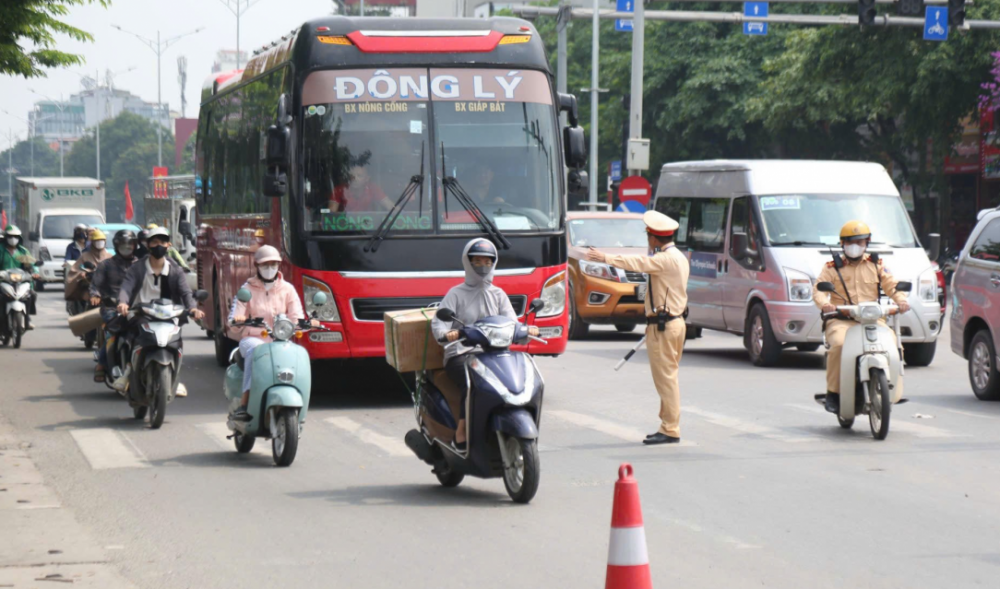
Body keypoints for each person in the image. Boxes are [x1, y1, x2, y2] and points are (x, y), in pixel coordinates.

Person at [586, 210, 690, 445]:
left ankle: (671, 428)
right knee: (668, 377)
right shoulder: (678, 257)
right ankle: (667, 425)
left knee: (666, 379)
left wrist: (605, 257)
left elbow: (639, 263)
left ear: (653, 238)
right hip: (671, 323)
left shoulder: (664, 259)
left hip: (665, 326)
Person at [430, 238, 538, 450]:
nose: (483, 266)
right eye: (477, 260)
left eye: (488, 261)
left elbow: (512, 322)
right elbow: (439, 322)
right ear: (467, 262)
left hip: (493, 353)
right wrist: (446, 334)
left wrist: (525, 330)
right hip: (462, 353)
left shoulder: (498, 294)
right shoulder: (456, 294)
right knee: (473, 382)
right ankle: (461, 433)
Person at [812, 221, 909, 413]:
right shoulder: (831, 267)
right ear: (842, 244)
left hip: (872, 320)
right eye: (851, 241)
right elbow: (818, 290)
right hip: (841, 320)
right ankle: (834, 393)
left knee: (893, 344)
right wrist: (825, 304)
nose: (856, 245)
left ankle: (892, 390)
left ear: (867, 243)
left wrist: (901, 301)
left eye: (861, 241)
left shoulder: (876, 265)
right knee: (839, 345)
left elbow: (893, 286)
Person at [228, 245, 317, 421]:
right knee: (256, 351)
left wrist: (307, 323)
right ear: (257, 266)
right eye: (265, 264)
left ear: (279, 266)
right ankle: (245, 404)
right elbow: (234, 319)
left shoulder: (287, 289)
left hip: (280, 340)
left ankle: (299, 398)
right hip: (253, 339)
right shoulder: (247, 289)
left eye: (273, 264)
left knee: (298, 354)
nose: (269, 268)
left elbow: (296, 316)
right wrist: (238, 320)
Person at [112, 227, 204, 392]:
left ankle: (174, 379)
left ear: (168, 244)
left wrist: (193, 309)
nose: (158, 245)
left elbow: (185, 292)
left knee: (176, 341)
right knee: (132, 335)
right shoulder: (137, 268)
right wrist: (123, 302)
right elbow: (127, 286)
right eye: (154, 242)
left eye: (162, 241)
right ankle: (127, 372)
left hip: (168, 315)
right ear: (148, 245)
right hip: (141, 313)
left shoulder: (175, 270)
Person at [90, 230, 139, 382]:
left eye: (130, 244)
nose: (127, 247)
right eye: (123, 244)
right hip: (112, 308)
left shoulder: (140, 265)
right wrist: (95, 295)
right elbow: (95, 284)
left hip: (137, 307)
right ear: (117, 246)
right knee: (114, 332)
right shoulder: (106, 265)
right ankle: (102, 364)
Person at [1, 225, 39, 330]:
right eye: (10, 236)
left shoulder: (23, 251)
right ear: (6, 237)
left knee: (32, 295)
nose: (13, 239)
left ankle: (27, 318)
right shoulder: (1, 250)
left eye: (16, 236)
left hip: (20, 281)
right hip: (3, 280)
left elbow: (32, 264)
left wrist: (35, 273)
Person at [65, 228, 111, 314]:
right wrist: (82, 274)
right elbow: (75, 271)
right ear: (92, 242)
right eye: (97, 241)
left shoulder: (110, 257)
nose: (99, 243)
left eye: (101, 240)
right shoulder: (85, 256)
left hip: (106, 290)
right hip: (88, 287)